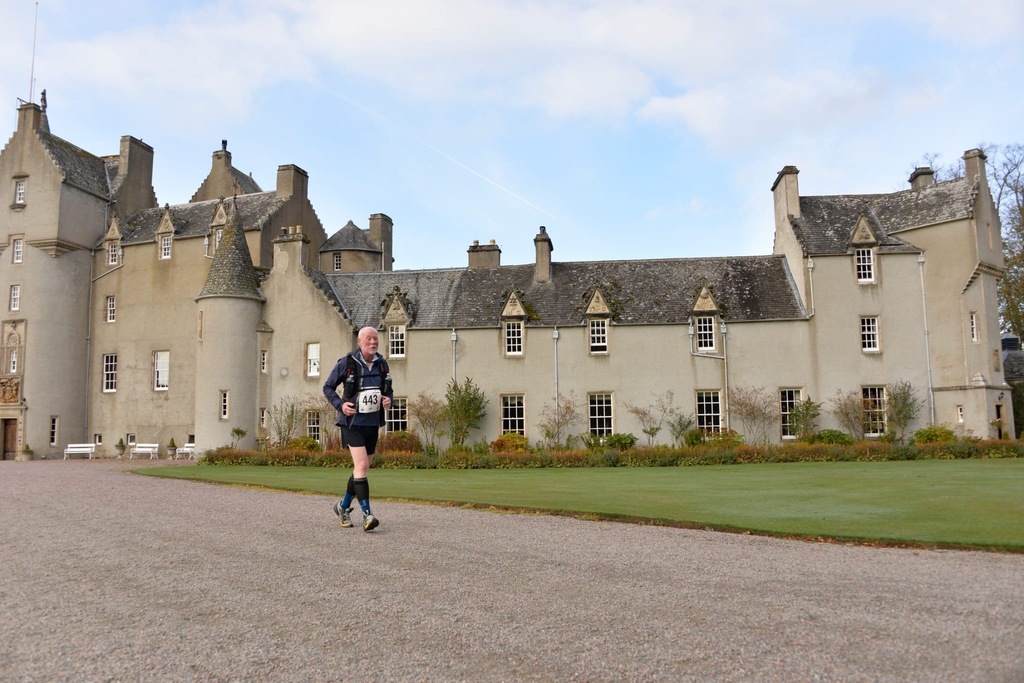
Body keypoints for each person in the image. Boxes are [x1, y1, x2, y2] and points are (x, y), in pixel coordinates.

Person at [323, 326, 393, 531]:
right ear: (360, 342)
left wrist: (389, 400)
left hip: (372, 424)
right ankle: (367, 515)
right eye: (369, 339)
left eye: (376, 340)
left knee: (361, 469)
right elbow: (327, 387)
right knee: (361, 466)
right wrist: (340, 405)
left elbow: (389, 391)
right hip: (352, 424)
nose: (373, 343)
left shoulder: (382, 365)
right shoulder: (347, 363)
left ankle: (343, 506)